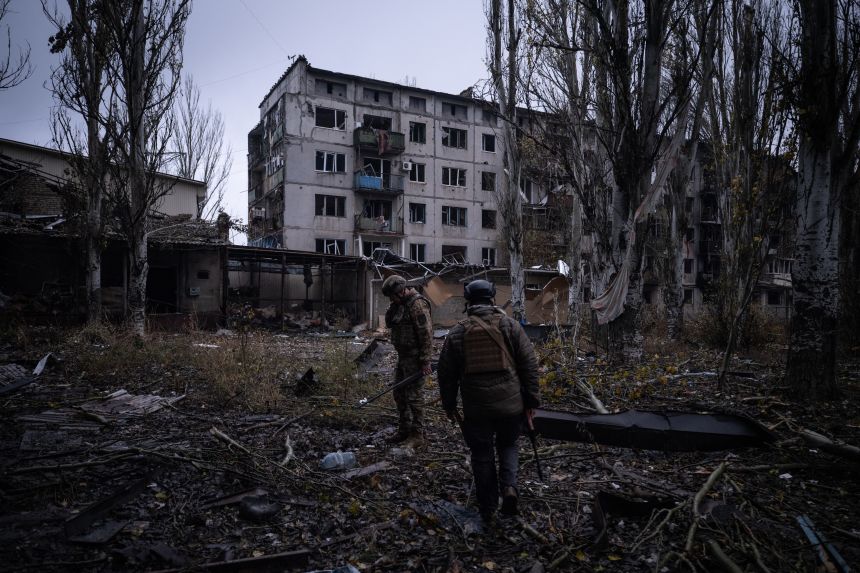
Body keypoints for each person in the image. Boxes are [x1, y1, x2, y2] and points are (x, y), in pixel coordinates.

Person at [437, 279, 540, 522]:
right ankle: (509, 488)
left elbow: (446, 374)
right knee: (508, 444)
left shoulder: (457, 332)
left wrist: (449, 405)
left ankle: (488, 507)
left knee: (482, 453)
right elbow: (529, 364)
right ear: (492, 299)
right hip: (511, 404)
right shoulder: (511, 326)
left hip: (477, 408)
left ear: (468, 301)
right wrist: (532, 401)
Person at [382, 274, 433, 445]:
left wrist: (425, 360)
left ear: (402, 292)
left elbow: (426, 334)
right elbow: (389, 323)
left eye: (392, 296)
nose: (391, 299)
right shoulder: (399, 305)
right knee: (399, 393)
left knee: (414, 397)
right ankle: (404, 430)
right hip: (403, 357)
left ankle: (418, 434)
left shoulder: (417, 304)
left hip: (415, 358)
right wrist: (393, 305)